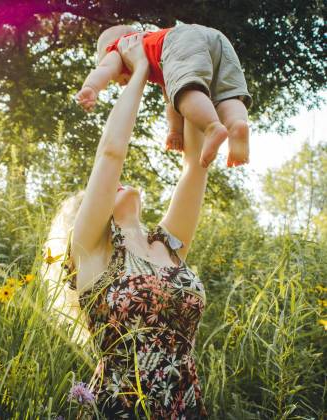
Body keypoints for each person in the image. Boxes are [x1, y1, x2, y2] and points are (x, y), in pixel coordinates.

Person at [66, 34, 208, 418]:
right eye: (108, 187)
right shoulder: (93, 247)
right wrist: (140, 72)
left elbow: (196, 165)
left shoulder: (169, 244)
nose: (119, 180)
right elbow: (111, 153)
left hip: (184, 405)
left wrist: (179, 73)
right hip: (122, 408)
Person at [75, 23, 252, 169]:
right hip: (216, 38)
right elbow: (171, 101)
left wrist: (91, 87)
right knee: (227, 94)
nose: (120, 83)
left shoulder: (120, 48)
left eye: (116, 80)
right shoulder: (158, 54)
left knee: (186, 92)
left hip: (180, 39)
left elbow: (105, 69)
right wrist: (175, 131)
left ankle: (212, 127)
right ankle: (236, 124)